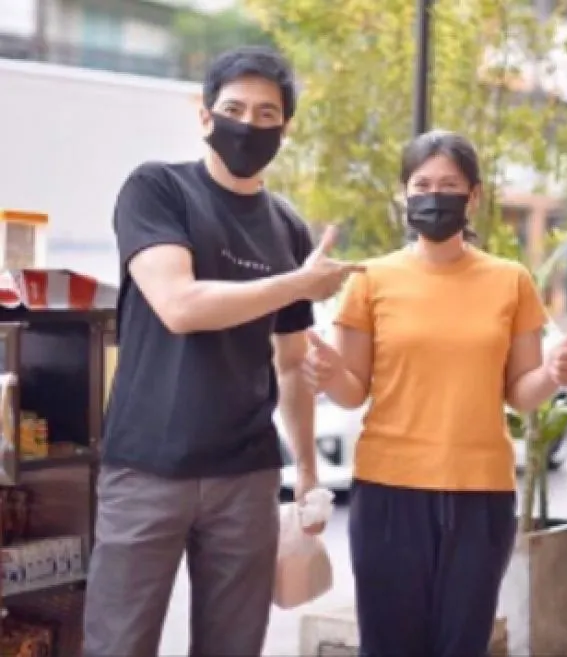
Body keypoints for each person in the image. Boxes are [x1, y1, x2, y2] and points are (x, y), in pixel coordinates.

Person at [83, 46, 362, 657]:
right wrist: (297, 283)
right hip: (147, 466)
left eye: (267, 114)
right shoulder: (158, 188)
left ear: (285, 129)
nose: (248, 124)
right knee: (117, 644)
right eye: (234, 109)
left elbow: (292, 362)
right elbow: (179, 305)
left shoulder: (287, 227)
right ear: (204, 114)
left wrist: (308, 473)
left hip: (248, 474)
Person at [302, 129, 567, 657]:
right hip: (388, 491)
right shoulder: (369, 280)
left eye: (449, 185)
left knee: (462, 645)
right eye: (422, 184)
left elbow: (521, 393)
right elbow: (352, 391)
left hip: (481, 495)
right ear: (404, 194)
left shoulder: (510, 280)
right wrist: (327, 372)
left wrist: (553, 374)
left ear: (473, 196)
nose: (435, 196)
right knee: (388, 647)